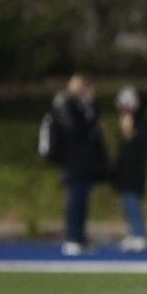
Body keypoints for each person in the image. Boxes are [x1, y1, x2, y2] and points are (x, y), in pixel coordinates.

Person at [43, 74, 109, 256]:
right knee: (74, 201)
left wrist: (90, 105)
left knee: (82, 202)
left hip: (84, 163)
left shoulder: (84, 106)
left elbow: (92, 126)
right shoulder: (66, 105)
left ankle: (79, 237)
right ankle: (71, 238)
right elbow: (77, 130)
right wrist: (88, 109)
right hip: (73, 162)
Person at [112, 85, 147, 253]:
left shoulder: (142, 123)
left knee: (132, 200)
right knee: (126, 201)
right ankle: (133, 232)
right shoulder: (130, 121)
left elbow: (135, 148)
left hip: (135, 169)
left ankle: (139, 234)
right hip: (126, 169)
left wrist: (128, 133)